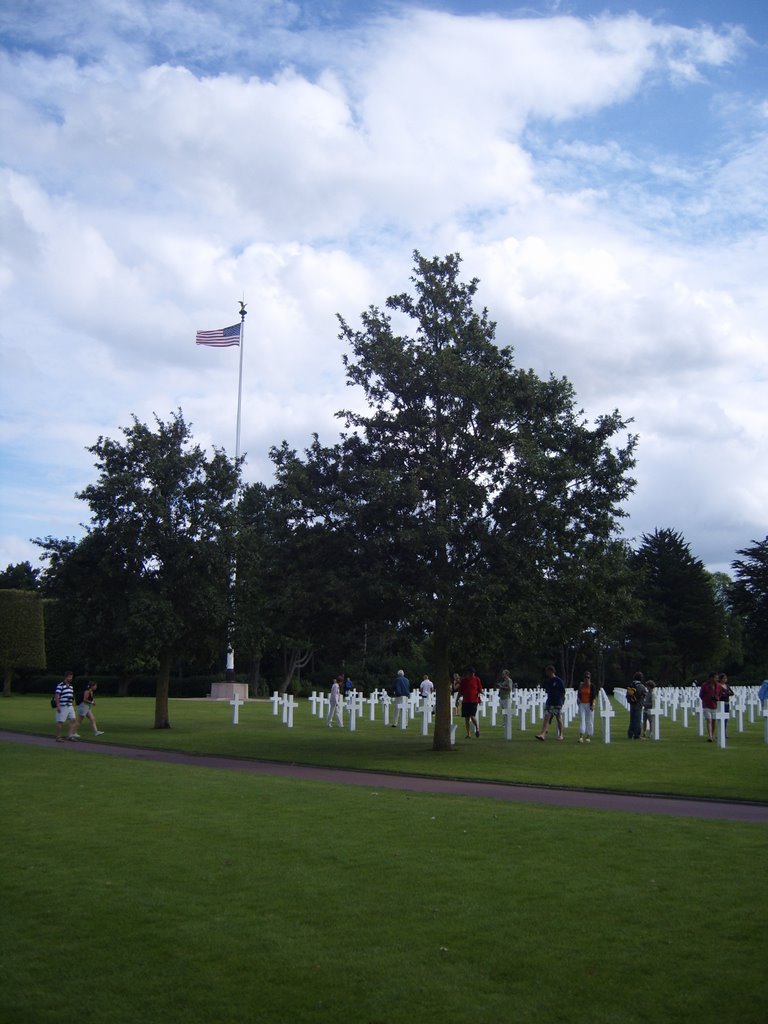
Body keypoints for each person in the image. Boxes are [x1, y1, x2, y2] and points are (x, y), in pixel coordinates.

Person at [536, 665, 566, 741]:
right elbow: (547, 691)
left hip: (557, 702)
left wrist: (561, 702)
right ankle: (542, 734)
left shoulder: (558, 681)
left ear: (551, 671)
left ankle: (561, 735)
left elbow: (563, 692)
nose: (546, 673)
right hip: (549, 702)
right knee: (546, 717)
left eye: (547, 671)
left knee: (558, 718)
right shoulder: (548, 681)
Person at [457, 667, 483, 738]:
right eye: (471, 673)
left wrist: (481, 693)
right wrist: (457, 700)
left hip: (474, 700)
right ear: (468, 673)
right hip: (466, 700)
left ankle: (477, 728)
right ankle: (468, 734)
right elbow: (460, 691)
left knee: (472, 715)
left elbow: (480, 689)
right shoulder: (464, 681)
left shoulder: (477, 679)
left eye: (473, 673)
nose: (472, 674)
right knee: (466, 718)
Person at [54, 671, 79, 742]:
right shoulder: (60, 685)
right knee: (60, 721)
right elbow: (57, 695)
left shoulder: (71, 686)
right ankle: (58, 737)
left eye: (72, 677)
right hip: (63, 706)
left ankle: (70, 735)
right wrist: (58, 705)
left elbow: (71, 695)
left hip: (69, 706)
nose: (71, 678)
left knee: (73, 719)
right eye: (70, 677)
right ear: (66, 677)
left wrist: (73, 703)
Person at [699, 672, 724, 743]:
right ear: (711, 678)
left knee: (713, 721)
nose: (717, 679)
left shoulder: (718, 686)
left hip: (715, 705)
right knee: (709, 720)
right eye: (715, 677)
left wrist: (717, 698)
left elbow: (720, 694)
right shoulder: (705, 685)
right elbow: (701, 695)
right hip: (706, 705)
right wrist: (706, 699)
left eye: (717, 678)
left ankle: (712, 735)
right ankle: (710, 736)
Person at [576, 670, 597, 743]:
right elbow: (578, 694)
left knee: (589, 720)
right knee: (582, 719)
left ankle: (588, 736)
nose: (586, 678)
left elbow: (594, 697)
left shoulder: (592, 686)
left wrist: (593, 705)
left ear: (590, 678)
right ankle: (581, 736)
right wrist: (578, 702)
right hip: (582, 704)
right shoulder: (581, 685)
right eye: (585, 677)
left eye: (588, 677)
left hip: (589, 704)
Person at [626, 671, 648, 739]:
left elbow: (627, 694)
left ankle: (630, 734)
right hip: (638, 704)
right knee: (638, 720)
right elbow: (645, 694)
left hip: (632, 704)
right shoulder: (641, 686)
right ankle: (637, 735)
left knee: (632, 719)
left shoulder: (631, 684)